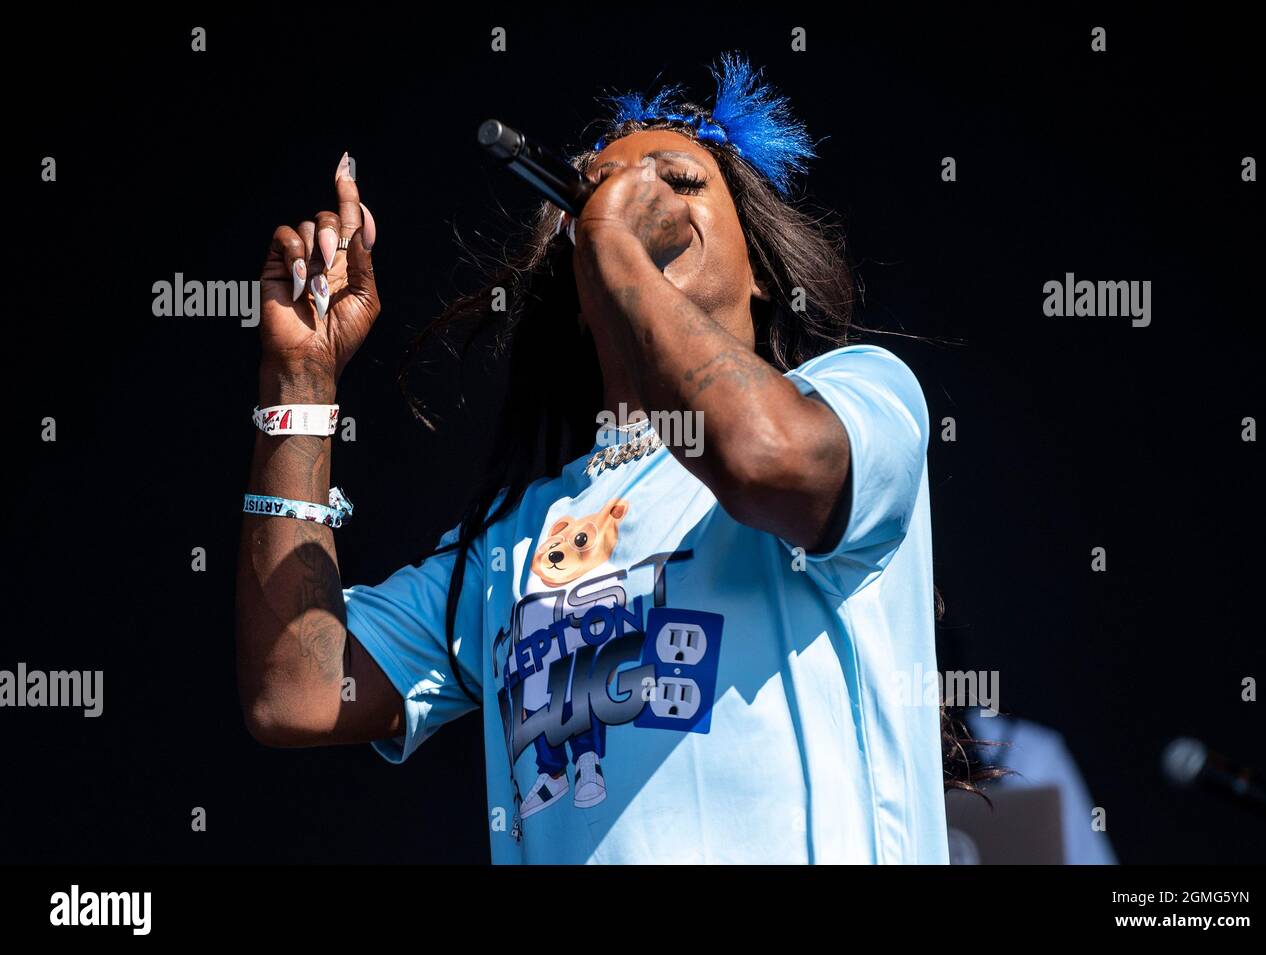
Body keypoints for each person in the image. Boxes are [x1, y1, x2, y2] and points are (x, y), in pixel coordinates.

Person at [236, 53, 951, 863]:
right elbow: (296, 688)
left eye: (677, 181)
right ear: (581, 291)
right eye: (603, 190)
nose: (636, 198)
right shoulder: (513, 542)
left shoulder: (861, 397)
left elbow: (763, 457)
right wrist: (298, 383)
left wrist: (612, 237)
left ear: (759, 272)